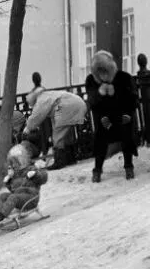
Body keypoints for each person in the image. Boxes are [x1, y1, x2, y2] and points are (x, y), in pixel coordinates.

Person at [86, 51, 138, 182]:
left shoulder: (124, 78)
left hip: (122, 116)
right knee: (100, 139)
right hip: (104, 118)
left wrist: (127, 113)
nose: (102, 74)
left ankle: (129, 167)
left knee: (126, 133)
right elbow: (92, 102)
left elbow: (132, 99)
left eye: (105, 70)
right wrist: (100, 93)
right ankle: (97, 171)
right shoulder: (92, 81)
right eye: (99, 71)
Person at [0, 143, 48, 224]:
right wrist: (8, 181)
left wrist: (35, 174)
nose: (14, 165)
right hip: (20, 199)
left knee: (13, 197)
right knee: (3, 196)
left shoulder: (31, 168)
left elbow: (44, 178)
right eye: (12, 163)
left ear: (22, 160)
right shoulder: (15, 174)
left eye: (15, 162)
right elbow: (13, 190)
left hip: (31, 198)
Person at [23, 86, 87, 170]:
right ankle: (71, 158)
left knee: (58, 135)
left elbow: (36, 116)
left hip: (67, 107)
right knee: (66, 133)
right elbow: (54, 116)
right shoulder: (47, 95)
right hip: (77, 104)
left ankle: (59, 162)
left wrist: (27, 128)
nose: (31, 107)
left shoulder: (41, 100)